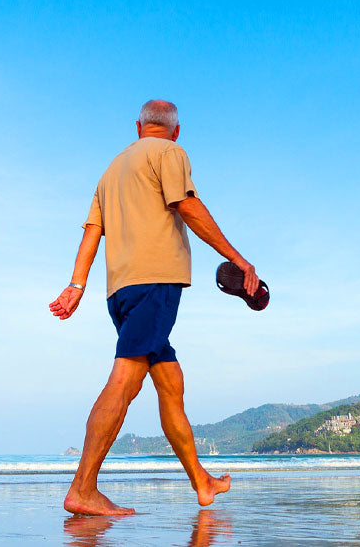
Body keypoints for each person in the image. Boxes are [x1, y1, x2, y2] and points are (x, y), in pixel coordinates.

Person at [49, 99, 260, 516]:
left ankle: (201, 481)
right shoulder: (171, 153)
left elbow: (93, 233)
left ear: (138, 127)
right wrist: (240, 260)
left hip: (120, 291)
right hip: (155, 283)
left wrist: (76, 285)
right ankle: (83, 488)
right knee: (125, 381)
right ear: (175, 130)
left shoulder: (111, 171)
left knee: (169, 383)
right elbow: (187, 205)